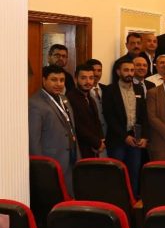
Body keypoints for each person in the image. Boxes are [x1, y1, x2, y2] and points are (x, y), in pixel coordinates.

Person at [29, 65, 80, 194]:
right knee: (54, 197)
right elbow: (34, 141)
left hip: (71, 157)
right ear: (44, 80)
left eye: (62, 80)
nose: (58, 84)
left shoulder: (64, 99)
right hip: (52, 160)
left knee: (70, 195)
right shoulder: (35, 103)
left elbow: (71, 128)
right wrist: (41, 167)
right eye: (54, 80)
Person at [103, 60, 149, 194]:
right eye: (126, 70)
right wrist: (124, 137)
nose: (130, 73)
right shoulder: (109, 90)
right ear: (118, 72)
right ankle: (116, 200)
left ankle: (133, 200)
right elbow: (110, 117)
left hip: (136, 139)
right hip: (117, 140)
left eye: (131, 70)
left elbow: (143, 115)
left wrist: (144, 136)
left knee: (134, 172)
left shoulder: (139, 89)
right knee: (116, 173)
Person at [66, 64, 104, 159]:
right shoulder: (70, 98)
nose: (88, 82)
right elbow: (77, 126)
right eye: (83, 78)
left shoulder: (90, 98)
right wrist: (96, 143)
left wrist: (101, 140)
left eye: (91, 78)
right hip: (80, 148)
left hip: (93, 146)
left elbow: (96, 121)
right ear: (75, 79)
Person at [86, 58, 108, 153]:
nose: (96, 74)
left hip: (107, 136)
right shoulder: (83, 92)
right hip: (91, 137)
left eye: (99, 70)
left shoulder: (106, 89)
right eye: (93, 70)